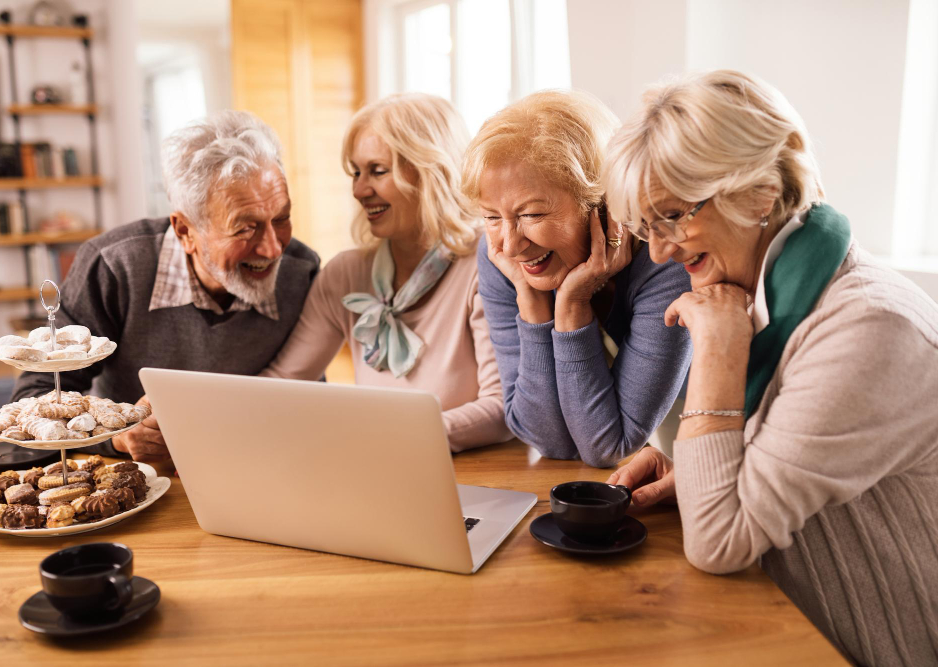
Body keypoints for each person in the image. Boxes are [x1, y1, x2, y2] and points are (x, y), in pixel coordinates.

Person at [604, 70, 938, 666]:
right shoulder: (778, 295)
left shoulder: (869, 328)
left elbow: (720, 542)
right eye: (644, 227)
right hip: (778, 628)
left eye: (674, 217)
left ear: (758, 190)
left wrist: (717, 347)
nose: (658, 252)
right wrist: (698, 472)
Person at [11, 111, 320, 462]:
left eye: (280, 218)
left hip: (254, 464)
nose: (273, 249)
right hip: (139, 476)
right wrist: (118, 437)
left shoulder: (301, 270)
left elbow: (309, 396)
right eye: (246, 228)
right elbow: (34, 399)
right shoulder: (114, 266)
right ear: (185, 231)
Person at [260, 93, 511, 451]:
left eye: (377, 170)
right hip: (382, 469)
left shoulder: (487, 263)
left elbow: (503, 409)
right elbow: (282, 381)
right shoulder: (345, 275)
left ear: (430, 172)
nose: (360, 190)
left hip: (480, 478)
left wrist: (395, 434)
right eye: (356, 172)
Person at [460, 90, 693, 467]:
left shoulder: (665, 260)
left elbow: (609, 446)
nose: (511, 243)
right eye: (491, 216)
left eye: (532, 215)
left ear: (602, 206)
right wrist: (533, 307)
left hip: (707, 469)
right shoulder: (501, 260)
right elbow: (546, 438)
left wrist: (570, 307)